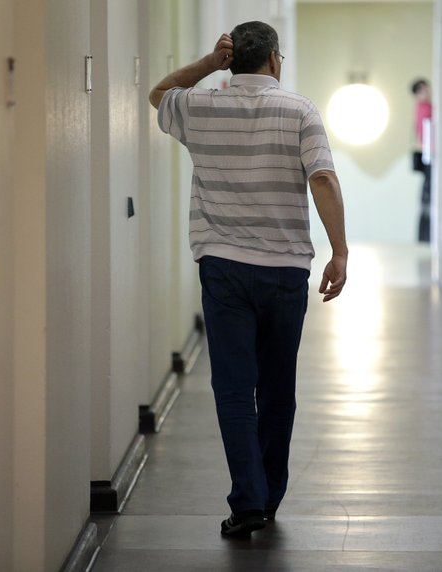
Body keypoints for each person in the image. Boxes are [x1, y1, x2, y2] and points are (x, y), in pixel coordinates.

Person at [149, 21, 348, 538]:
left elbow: (160, 93)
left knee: (234, 389)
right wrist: (340, 251)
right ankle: (268, 496)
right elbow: (322, 177)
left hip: (224, 268)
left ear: (230, 60)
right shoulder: (300, 109)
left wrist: (209, 65)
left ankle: (249, 501)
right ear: (276, 61)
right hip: (284, 269)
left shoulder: (202, 107)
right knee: (278, 390)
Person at [411, 78, 432, 243]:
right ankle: (426, 236)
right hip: (430, 156)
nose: (428, 92)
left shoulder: (418, 108)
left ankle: (424, 236)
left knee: (426, 196)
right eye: (424, 90)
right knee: (428, 196)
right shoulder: (425, 108)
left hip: (427, 155)